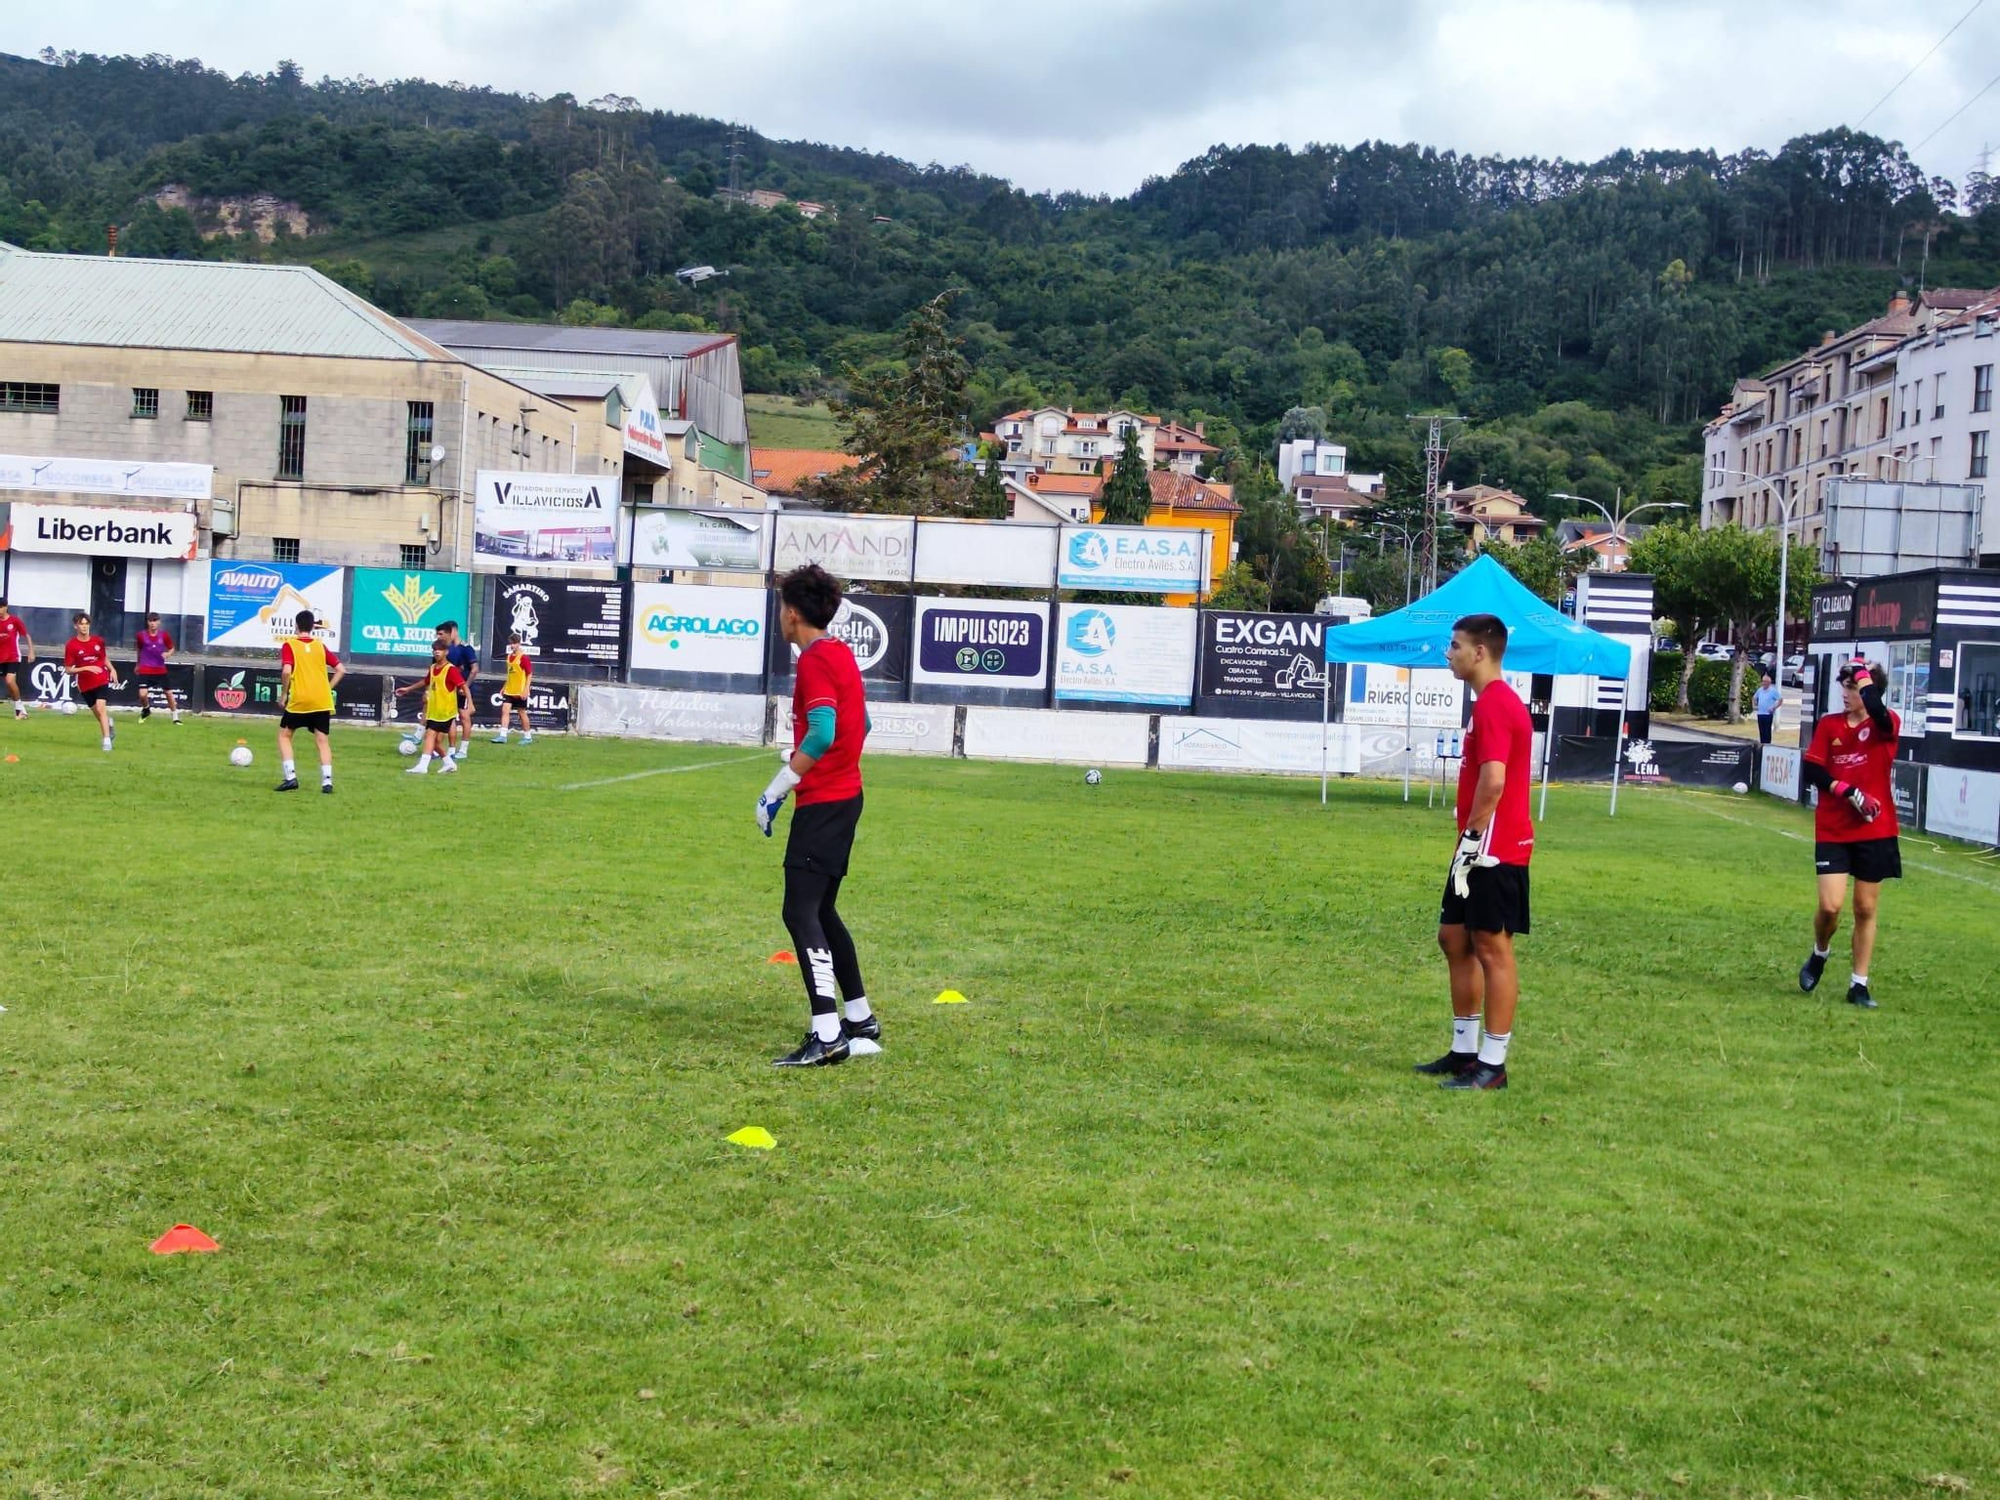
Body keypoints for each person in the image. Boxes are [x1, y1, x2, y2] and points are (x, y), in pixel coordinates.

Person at [756, 562, 876, 1068]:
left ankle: (827, 1034)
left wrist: (778, 786)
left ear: (791, 613)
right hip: (845, 796)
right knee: (823, 911)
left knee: (799, 912)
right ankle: (860, 1021)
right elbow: (862, 724)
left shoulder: (813, 662)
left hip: (825, 802)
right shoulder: (838, 652)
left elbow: (824, 732)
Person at [1416, 613, 1535, 1091]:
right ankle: (1464, 1052)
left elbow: (1495, 780)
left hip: (1494, 850)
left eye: (1455, 645)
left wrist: (1471, 838)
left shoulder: (1495, 704)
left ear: (1480, 652)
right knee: (1454, 938)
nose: (1449, 653)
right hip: (1476, 846)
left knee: (1492, 947)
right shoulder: (1486, 703)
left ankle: (1493, 1064)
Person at [1799, 658, 1900, 1009]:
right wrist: (1847, 790)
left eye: (1854, 687)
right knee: (1830, 907)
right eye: (1844, 686)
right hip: (1834, 827)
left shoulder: (1887, 724)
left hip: (1876, 830)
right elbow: (1812, 770)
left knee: (1865, 907)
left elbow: (1877, 708)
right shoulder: (1829, 725)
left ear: (1869, 692)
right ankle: (1820, 952)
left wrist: (1862, 671)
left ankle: (1859, 984)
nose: (1846, 693)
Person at [276, 609, 343, 793]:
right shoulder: (320, 646)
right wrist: (327, 689)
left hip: (300, 699)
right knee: (322, 740)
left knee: (284, 735)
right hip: (321, 700)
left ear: (296, 625)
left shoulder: (290, 645)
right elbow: (341, 669)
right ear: (313, 627)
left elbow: (287, 671)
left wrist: (284, 694)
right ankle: (327, 782)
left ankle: (291, 777)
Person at [396, 639, 465, 775]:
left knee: (429, 736)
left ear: (446, 652)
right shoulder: (433, 668)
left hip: (445, 711)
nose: (436, 652)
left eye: (439, 650)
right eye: (434, 650)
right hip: (435, 711)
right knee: (434, 741)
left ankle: (423, 766)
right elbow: (426, 681)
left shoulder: (451, 669)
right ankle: (449, 763)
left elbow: (463, 686)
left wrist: (470, 703)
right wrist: (409, 689)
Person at [62, 613, 119, 752]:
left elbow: (104, 658)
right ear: (75, 626)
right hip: (85, 684)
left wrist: (112, 669)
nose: (84, 626)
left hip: (101, 678)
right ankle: (108, 725)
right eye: (81, 624)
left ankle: (106, 742)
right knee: (98, 713)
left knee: (101, 708)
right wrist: (86, 668)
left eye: (86, 623)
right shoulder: (71, 645)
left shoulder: (98, 641)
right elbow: (68, 670)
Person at [134, 612, 183, 723]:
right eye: (150, 621)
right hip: (145, 668)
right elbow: (139, 650)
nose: (152, 623)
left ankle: (175, 717)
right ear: (147, 622)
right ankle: (146, 709)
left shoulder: (164, 635)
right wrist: (138, 664)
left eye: (155, 621)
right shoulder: (141, 636)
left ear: (159, 622)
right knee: (142, 694)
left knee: (169, 693)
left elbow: (172, 648)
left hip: (160, 670)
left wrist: (168, 654)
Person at [440, 620, 478, 760]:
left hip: (464, 689)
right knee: (450, 718)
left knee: (464, 716)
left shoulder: (466, 648)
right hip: (451, 689)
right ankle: (451, 749)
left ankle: (463, 750)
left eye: (446, 633)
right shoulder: (448, 649)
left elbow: (474, 669)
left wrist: (466, 686)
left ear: (454, 631)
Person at [491, 633, 535, 744]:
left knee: (522, 713)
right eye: (511, 643)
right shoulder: (509, 657)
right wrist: (504, 687)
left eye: (514, 643)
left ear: (519, 643)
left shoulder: (524, 658)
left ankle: (528, 736)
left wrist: (526, 689)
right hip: (509, 690)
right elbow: (510, 674)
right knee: (505, 711)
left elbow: (529, 674)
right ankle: (503, 736)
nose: (512, 646)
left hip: (519, 691)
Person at [0, 598, 32, 720]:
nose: (0, 610)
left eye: (1, 607)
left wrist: (31, 651)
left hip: (13, 656)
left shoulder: (14, 620)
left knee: (9, 681)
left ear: (6, 607)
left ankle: (19, 708)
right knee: (9, 685)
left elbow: (26, 635)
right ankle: (20, 710)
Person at [1753, 671, 1781, 746]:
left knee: (1767, 731)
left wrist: (1774, 707)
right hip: (1760, 713)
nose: (1764, 683)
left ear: (1769, 682)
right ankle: (1762, 745)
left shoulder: (1773, 691)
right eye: (1763, 681)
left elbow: (1780, 700)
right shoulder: (1760, 690)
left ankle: (1767, 745)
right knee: (1761, 731)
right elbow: (1754, 698)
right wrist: (1754, 705)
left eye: (1765, 682)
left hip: (1768, 714)